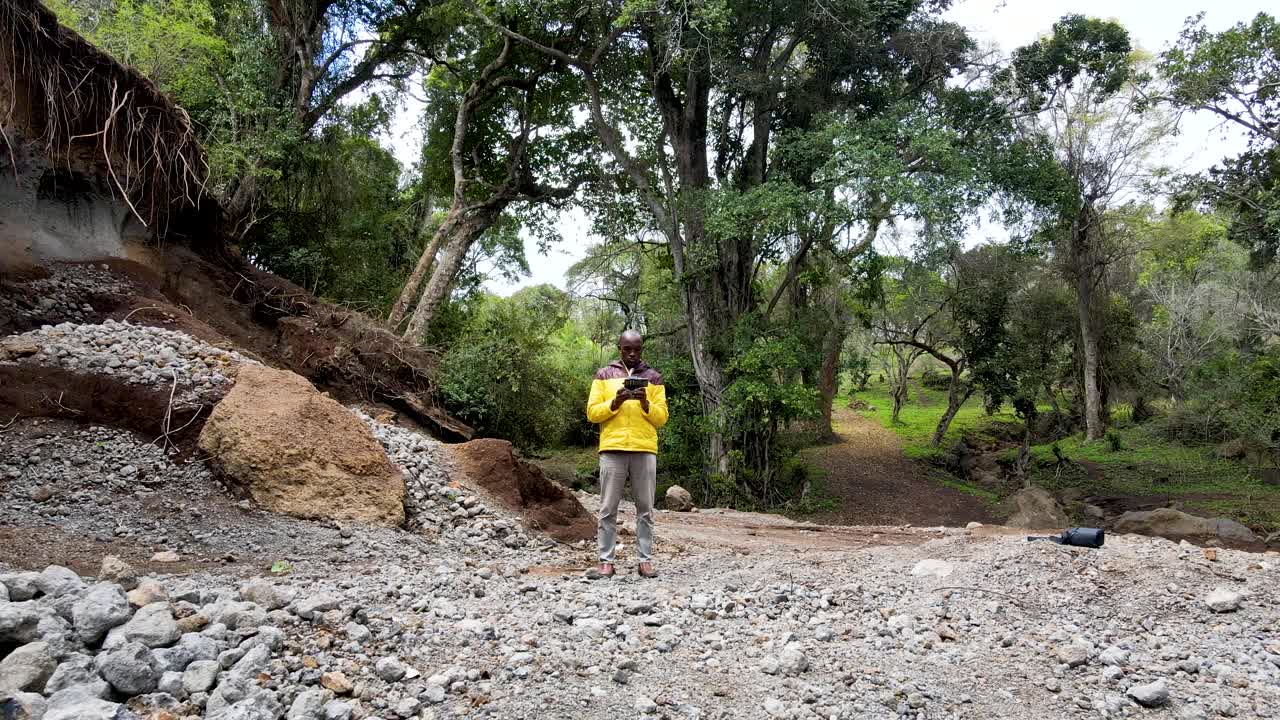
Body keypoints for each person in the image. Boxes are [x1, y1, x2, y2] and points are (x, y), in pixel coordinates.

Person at [585, 329, 669, 578]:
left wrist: (645, 403)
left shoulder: (653, 377)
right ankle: (606, 562)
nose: (632, 353)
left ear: (641, 348)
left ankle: (645, 561)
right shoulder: (604, 374)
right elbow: (592, 413)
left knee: (645, 509)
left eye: (637, 349)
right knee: (608, 508)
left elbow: (662, 417)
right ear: (619, 347)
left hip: (644, 448)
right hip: (612, 448)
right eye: (627, 349)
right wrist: (615, 402)